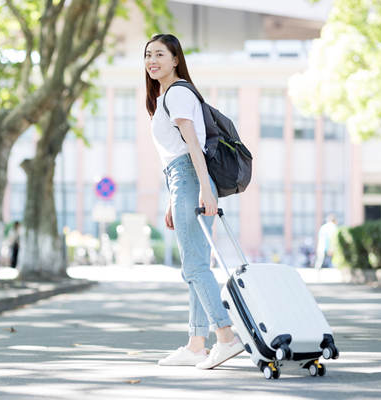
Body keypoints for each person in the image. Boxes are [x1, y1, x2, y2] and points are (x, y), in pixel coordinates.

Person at [144, 33, 244, 369]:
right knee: (197, 263)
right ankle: (196, 344)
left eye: (159, 54)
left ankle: (226, 337)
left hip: (191, 178)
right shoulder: (165, 97)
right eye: (147, 55)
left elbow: (191, 146)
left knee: (195, 266)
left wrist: (203, 187)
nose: (152, 60)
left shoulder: (178, 93)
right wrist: (174, 198)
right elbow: (175, 153)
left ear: (175, 59)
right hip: (182, 181)